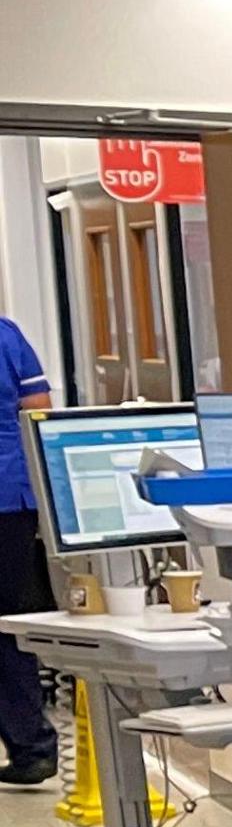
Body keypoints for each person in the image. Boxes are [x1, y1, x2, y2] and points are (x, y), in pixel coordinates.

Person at [0, 314, 59, 787]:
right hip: (12, 499)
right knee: (6, 624)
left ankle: (31, 748)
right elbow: (38, 411)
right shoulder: (7, 335)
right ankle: (32, 747)